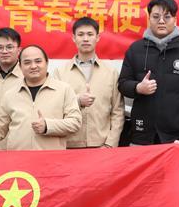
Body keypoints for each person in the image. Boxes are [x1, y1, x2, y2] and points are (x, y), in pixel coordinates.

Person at [118, 0, 179, 144]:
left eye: (167, 17)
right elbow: (122, 84)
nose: (161, 21)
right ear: (149, 19)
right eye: (156, 17)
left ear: (175, 20)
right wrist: (138, 88)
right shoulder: (136, 49)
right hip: (143, 133)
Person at [0, 45, 82, 151]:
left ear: (47, 62)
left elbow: (75, 122)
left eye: (38, 61)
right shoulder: (11, 95)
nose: (33, 66)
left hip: (52, 161)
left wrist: (48, 126)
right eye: (27, 62)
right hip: (18, 162)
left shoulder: (64, 90)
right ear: (20, 66)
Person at [52, 17, 125, 148]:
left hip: (101, 146)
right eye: (80, 34)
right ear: (74, 38)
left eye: (90, 34)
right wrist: (77, 101)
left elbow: (117, 112)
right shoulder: (60, 73)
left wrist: (110, 144)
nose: (85, 39)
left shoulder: (111, 73)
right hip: (68, 146)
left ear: (97, 38)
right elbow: (54, 108)